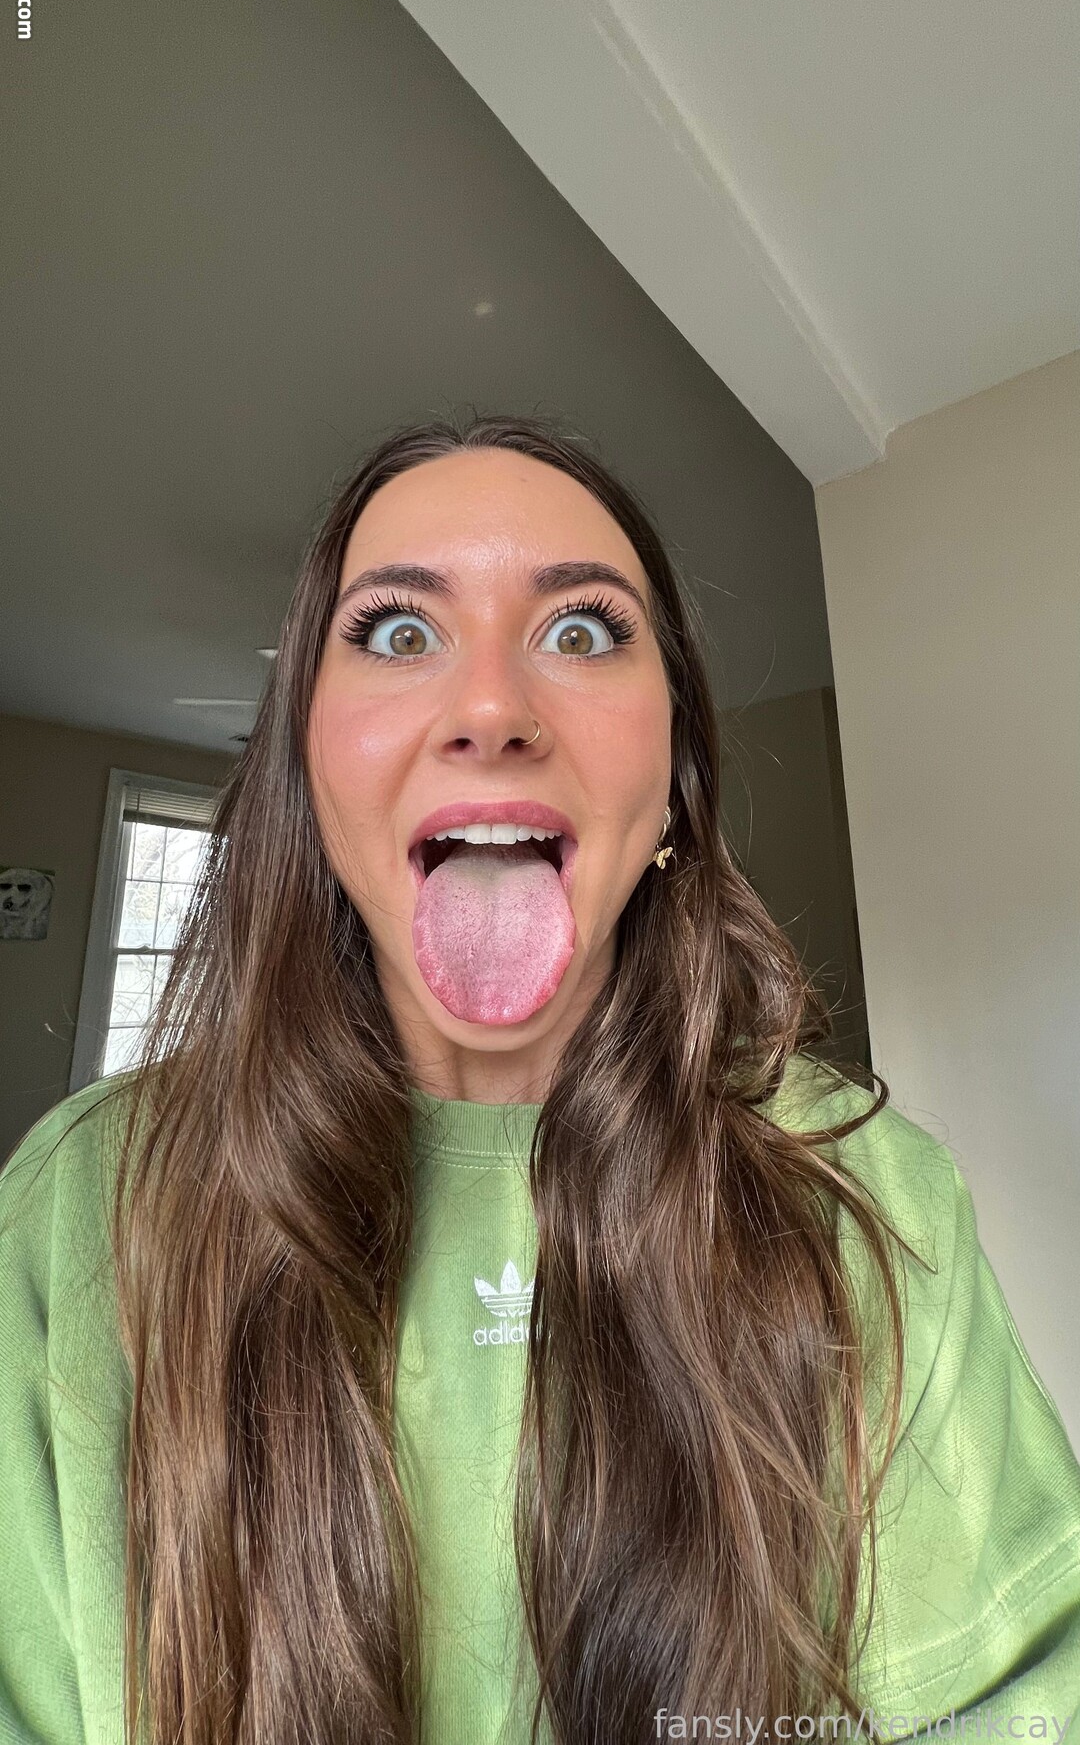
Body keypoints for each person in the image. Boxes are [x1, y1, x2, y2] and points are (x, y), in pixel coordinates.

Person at [1, 411, 1078, 1745]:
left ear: (676, 775)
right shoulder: (77, 1210)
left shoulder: (871, 1196)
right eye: (399, 631)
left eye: (580, 630)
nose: (492, 711)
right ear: (305, 766)